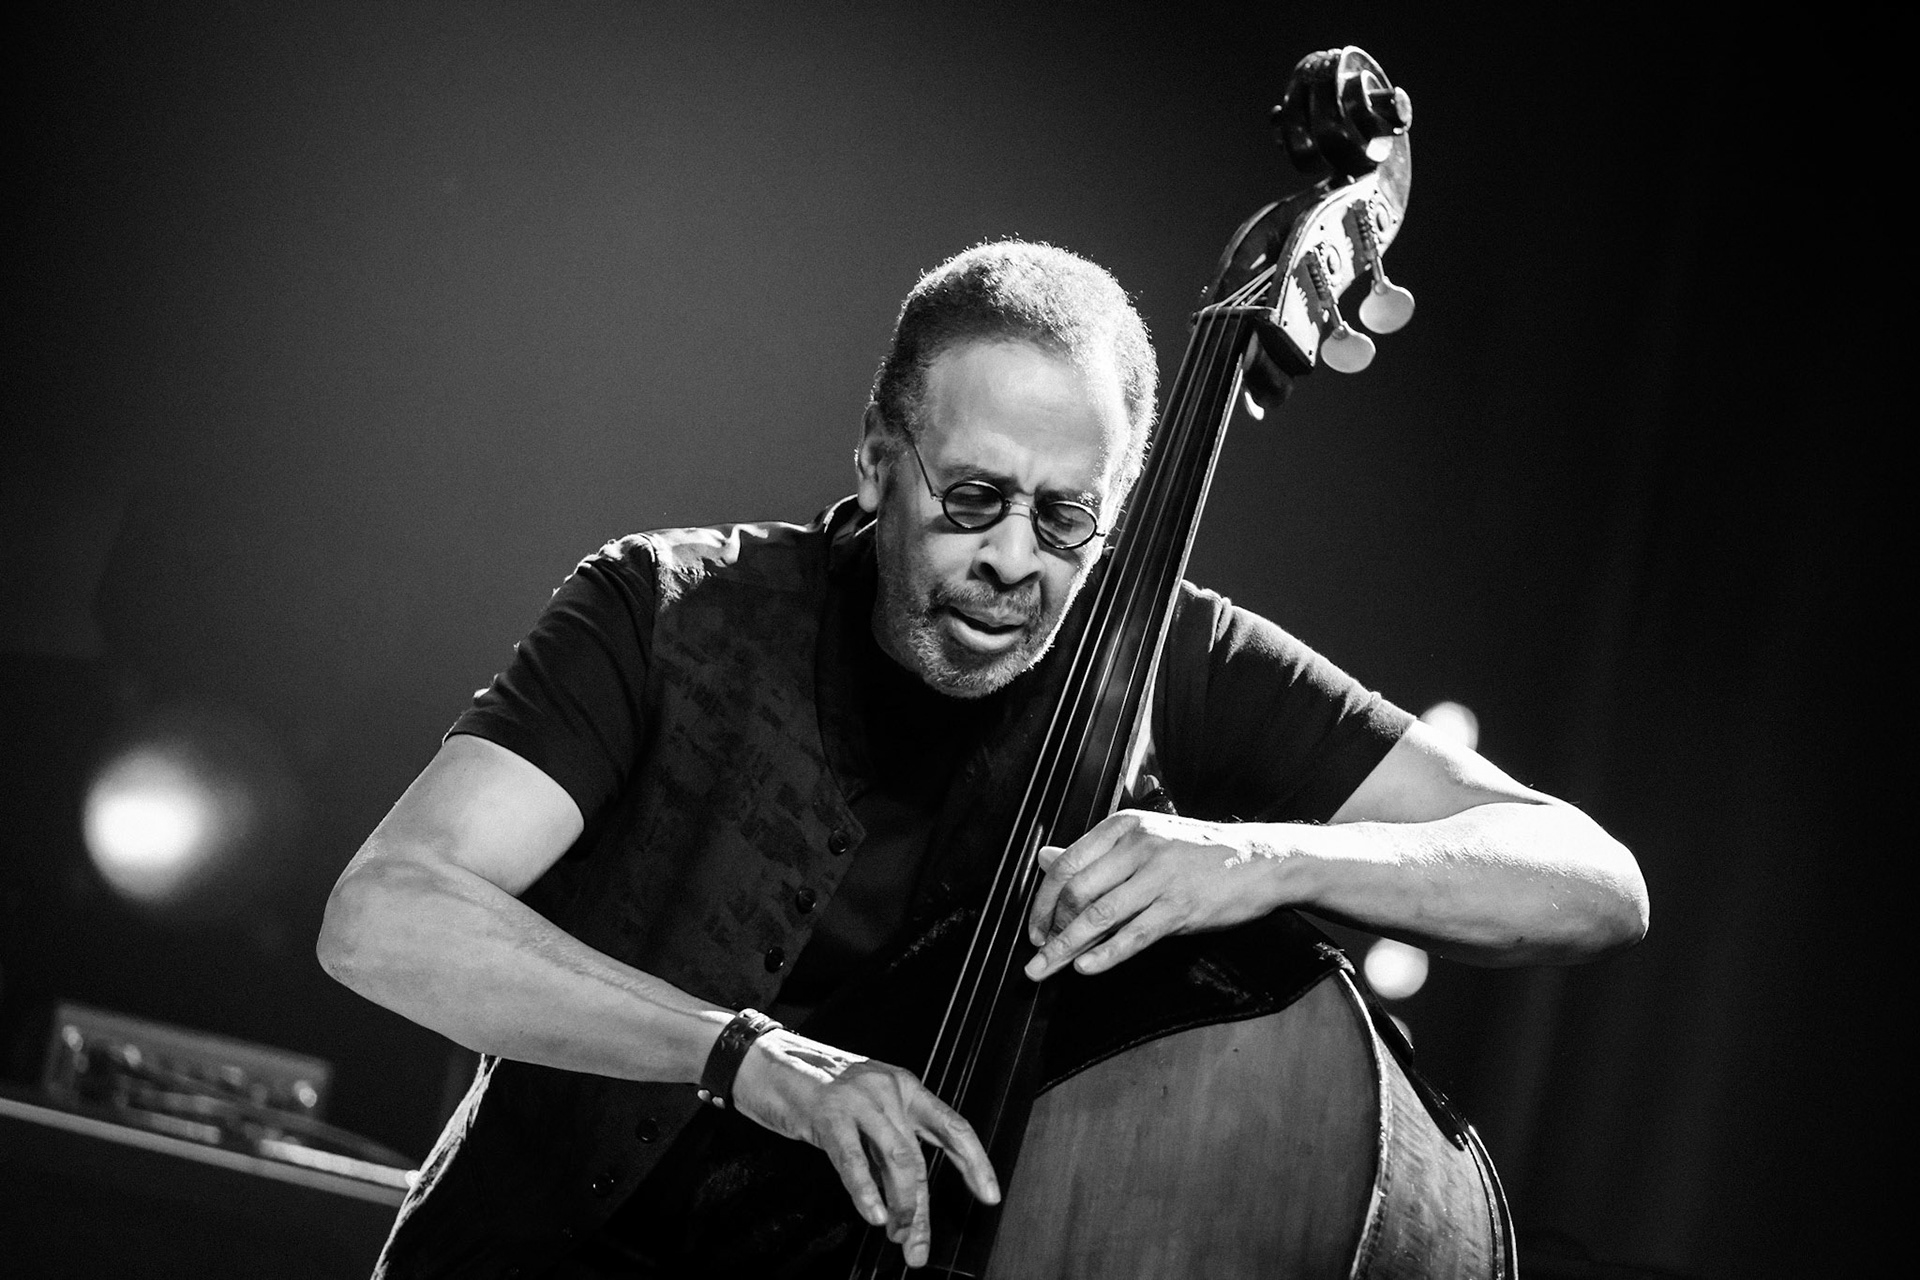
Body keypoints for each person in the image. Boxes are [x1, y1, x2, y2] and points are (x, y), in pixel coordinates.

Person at [317, 241, 1647, 1278]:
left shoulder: (1172, 655)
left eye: (1067, 518)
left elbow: (1587, 879)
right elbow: (385, 914)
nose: (1014, 557)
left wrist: (1260, 859)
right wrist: (741, 1056)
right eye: (972, 498)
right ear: (876, 461)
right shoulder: (667, 610)